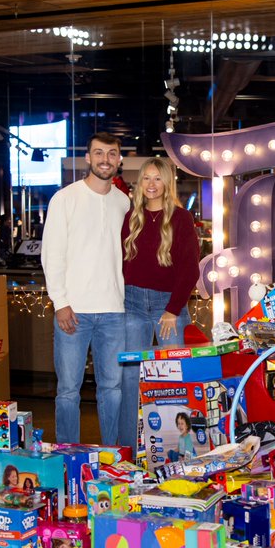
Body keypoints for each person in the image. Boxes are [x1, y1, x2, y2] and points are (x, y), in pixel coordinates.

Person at [40, 132, 130, 445]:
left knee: (112, 389)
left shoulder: (124, 203)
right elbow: (51, 254)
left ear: (119, 159)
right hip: (73, 311)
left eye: (112, 153)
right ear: (88, 158)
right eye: (99, 153)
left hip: (114, 312)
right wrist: (60, 302)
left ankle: (113, 456)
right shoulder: (65, 199)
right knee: (67, 390)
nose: (105, 159)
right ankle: (68, 453)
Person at [119, 157, 200, 455]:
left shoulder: (180, 218)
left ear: (167, 183)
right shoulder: (132, 217)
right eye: (146, 178)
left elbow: (190, 269)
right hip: (133, 304)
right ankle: (127, 450)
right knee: (130, 378)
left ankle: (179, 450)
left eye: (157, 178)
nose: (151, 184)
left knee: (174, 375)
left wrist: (173, 309)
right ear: (140, 183)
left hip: (169, 306)